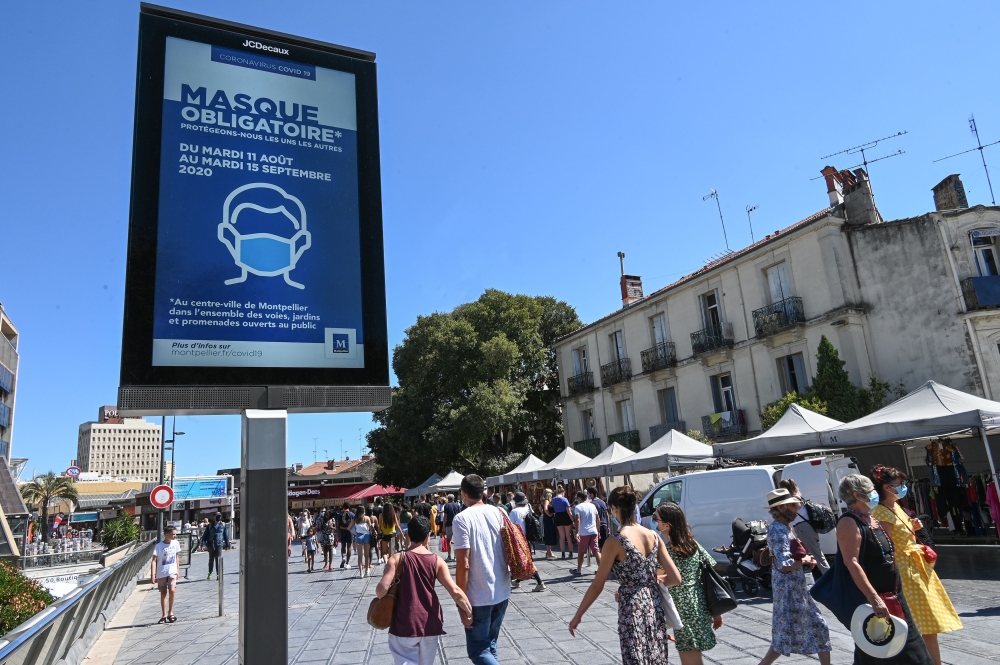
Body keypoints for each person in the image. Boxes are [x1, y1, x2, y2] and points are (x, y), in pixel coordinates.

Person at [569, 486, 681, 665]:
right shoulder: (654, 535)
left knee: (635, 657)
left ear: (614, 508)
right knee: (656, 657)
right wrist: (650, 583)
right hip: (654, 604)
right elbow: (675, 578)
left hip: (631, 606)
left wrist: (578, 615)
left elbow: (598, 585)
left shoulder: (615, 541)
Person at [836, 474, 933, 665]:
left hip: (895, 594)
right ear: (857, 495)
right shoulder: (849, 522)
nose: (875, 493)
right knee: (883, 653)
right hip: (877, 599)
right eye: (870, 490)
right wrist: (874, 599)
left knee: (914, 652)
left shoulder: (870, 517)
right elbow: (851, 562)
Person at [871, 465, 962, 665]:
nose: (903, 487)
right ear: (887, 487)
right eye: (899, 484)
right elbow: (885, 544)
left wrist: (911, 527)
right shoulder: (881, 511)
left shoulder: (895, 507)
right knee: (918, 625)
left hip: (915, 568)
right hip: (905, 571)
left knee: (929, 625)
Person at [376, 516, 473, 665]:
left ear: (408, 535)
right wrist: (468, 612)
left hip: (404, 624)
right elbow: (455, 591)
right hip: (429, 624)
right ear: (427, 536)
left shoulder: (396, 559)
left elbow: (381, 591)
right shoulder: (437, 561)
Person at [755, 489, 831, 665]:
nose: (798, 508)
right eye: (794, 505)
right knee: (784, 636)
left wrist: (806, 560)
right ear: (781, 508)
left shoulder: (786, 528)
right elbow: (785, 564)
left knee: (818, 627)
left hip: (798, 589)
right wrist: (804, 560)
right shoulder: (778, 530)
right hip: (789, 592)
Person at [452, 474, 511, 665]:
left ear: (463, 494)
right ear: (483, 492)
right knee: (491, 645)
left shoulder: (461, 519)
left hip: (479, 595)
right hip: (502, 589)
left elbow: (464, 564)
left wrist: (461, 600)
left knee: (478, 650)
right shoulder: (499, 513)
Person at [654, 502, 721, 665]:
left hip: (682, 610)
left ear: (667, 525)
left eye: (656, 519)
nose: (655, 522)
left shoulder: (667, 551)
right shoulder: (694, 545)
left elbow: (659, 578)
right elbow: (709, 574)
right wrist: (717, 611)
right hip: (699, 605)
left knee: (689, 657)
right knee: (694, 655)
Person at [777, 478, 830, 579]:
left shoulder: (793, 500)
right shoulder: (798, 496)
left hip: (803, 527)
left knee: (817, 555)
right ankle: (819, 577)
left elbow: (790, 515)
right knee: (810, 554)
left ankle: (829, 578)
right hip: (807, 526)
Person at [507, 492, 546, 592]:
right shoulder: (528, 508)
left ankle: (540, 582)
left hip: (519, 540)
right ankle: (516, 581)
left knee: (525, 562)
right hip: (528, 538)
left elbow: (510, 527)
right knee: (524, 561)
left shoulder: (514, 512)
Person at [151, 526, 181, 624]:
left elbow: (176, 557)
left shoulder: (175, 543)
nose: (175, 536)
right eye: (173, 534)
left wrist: (178, 569)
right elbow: (154, 560)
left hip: (172, 571)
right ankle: (164, 615)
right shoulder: (159, 546)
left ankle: (170, 612)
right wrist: (153, 574)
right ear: (167, 535)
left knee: (172, 590)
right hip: (161, 572)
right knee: (163, 592)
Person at [571, 490, 601, 576]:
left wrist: (577, 532)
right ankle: (600, 568)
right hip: (593, 531)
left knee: (581, 552)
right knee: (596, 550)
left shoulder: (578, 507)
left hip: (584, 532)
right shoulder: (592, 506)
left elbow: (578, 519)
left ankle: (579, 569)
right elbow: (598, 519)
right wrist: (598, 531)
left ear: (579, 498)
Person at [201, 513, 230, 580]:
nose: (218, 521)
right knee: (211, 559)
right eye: (217, 519)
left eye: (219, 519)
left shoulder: (223, 525)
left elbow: (226, 535)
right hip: (211, 544)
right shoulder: (210, 526)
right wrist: (203, 544)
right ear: (214, 518)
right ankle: (210, 573)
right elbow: (205, 536)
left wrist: (227, 544)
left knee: (218, 559)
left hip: (219, 544)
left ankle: (218, 574)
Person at [551, 485, 573, 559]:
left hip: (558, 516)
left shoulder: (553, 499)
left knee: (561, 536)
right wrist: (572, 519)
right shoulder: (564, 499)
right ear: (563, 492)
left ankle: (563, 553)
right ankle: (570, 552)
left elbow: (553, 507)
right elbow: (568, 510)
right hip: (565, 516)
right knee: (568, 536)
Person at [352, 505, 374, 577]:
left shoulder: (355, 519)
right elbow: (371, 528)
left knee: (359, 556)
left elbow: (348, 528)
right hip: (366, 536)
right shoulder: (366, 518)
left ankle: (361, 573)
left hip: (359, 536)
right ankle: (367, 570)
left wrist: (355, 533)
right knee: (366, 555)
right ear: (363, 511)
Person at [442, 494, 462, 563]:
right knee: (456, 541)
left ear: (448, 499)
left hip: (449, 525)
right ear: (454, 498)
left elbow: (445, 517)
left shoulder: (446, 505)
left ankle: (449, 556)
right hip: (457, 525)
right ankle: (456, 557)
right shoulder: (457, 505)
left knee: (449, 540)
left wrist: (443, 526)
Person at [540, 489, 557, 560]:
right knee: (549, 534)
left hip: (546, 518)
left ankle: (548, 551)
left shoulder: (542, 500)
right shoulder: (546, 500)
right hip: (549, 519)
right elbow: (545, 509)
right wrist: (549, 514)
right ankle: (549, 552)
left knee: (548, 534)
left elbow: (540, 509)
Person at [338, 504, 355, 569]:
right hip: (350, 532)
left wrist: (338, 533)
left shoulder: (340, 515)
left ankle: (343, 558)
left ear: (343, 507)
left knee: (343, 546)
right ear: (349, 507)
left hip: (342, 531)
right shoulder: (352, 514)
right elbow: (354, 524)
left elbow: (338, 525)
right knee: (349, 547)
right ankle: (347, 563)